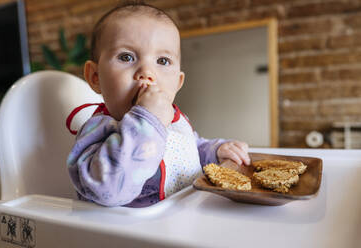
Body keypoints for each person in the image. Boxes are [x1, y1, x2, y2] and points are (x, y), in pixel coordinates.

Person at [66, 2, 250, 208]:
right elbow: (108, 189)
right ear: (95, 77)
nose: (147, 72)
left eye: (162, 61)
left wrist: (215, 151)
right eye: (126, 57)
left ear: (177, 83)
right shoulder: (98, 130)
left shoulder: (174, 120)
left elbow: (187, 149)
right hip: (128, 235)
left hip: (183, 221)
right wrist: (145, 122)